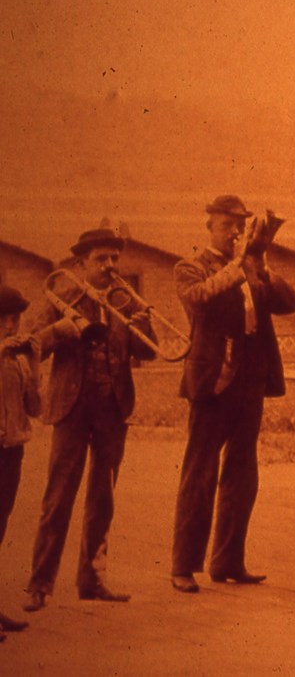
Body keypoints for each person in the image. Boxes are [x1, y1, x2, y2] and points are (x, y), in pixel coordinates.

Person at [170, 196, 295, 594]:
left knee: (243, 474)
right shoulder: (190, 267)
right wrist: (238, 265)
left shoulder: (252, 265)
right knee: (200, 474)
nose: (235, 233)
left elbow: (288, 303)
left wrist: (260, 263)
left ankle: (227, 560)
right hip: (213, 381)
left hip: (251, 380)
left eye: (240, 226)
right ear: (210, 226)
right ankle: (183, 566)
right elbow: (200, 299)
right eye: (228, 226)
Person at [22, 229, 156, 611]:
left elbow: (148, 352)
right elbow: (32, 345)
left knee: (104, 498)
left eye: (115, 258)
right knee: (59, 497)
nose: (110, 266)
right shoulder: (62, 297)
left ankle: (93, 579)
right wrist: (61, 330)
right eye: (102, 258)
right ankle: (39, 584)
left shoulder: (125, 302)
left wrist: (143, 321)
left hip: (113, 408)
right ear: (82, 264)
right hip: (71, 408)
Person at [0, 285, 39, 636]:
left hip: (12, 449)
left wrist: (35, 364)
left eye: (16, 319)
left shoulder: (19, 359)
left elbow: (36, 408)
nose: (13, 326)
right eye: (6, 320)